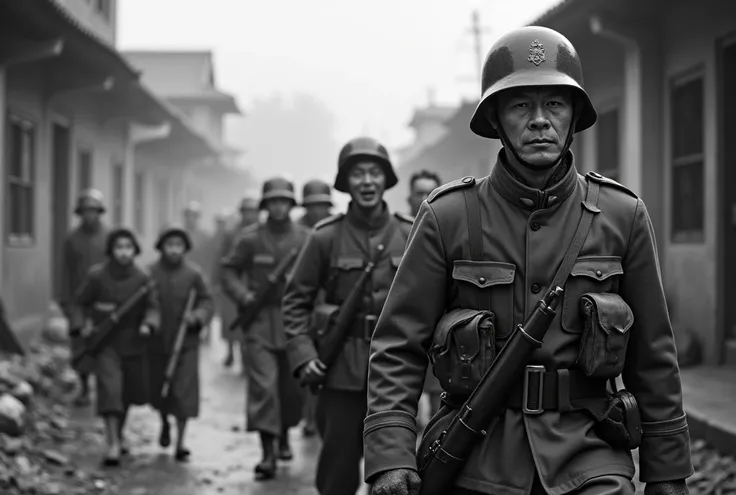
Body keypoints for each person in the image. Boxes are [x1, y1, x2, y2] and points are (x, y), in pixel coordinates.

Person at [363, 26, 693, 495]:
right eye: (521, 105)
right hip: (478, 456)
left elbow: (654, 355)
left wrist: (667, 471)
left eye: (554, 104)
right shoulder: (448, 216)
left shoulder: (623, 215)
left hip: (591, 454)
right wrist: (391, 455)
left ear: (574, 115)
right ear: (496, 118)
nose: (540, 120)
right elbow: (398, 343)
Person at [282, 137, 414, 495]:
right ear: (346, 182)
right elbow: (295, 301)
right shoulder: (325, 237)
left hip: (396, 374)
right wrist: (304, 354)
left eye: (374, 172)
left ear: (386, 179)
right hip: (340, 371)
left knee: (393, 471)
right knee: (337, 469)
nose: (367, 181)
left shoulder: (410, 233)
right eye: (358, 174)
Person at [221, 178, 309, 480]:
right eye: (273, 201)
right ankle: (268, 452)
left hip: (294, 321)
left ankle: (284, 432)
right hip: (259, 322)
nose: (279, 206)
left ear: (291, 204)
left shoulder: (305, 238)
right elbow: (228, 270)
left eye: (284, 201)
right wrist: (243, 296)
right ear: (265, 205)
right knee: (264, 387)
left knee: (292, 389)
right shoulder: (250, 239)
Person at [72, 228, 159, 466]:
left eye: (128, 247)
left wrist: (148, 324)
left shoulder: (143, 278)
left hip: (133, 344)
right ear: (110, 250)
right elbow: (80, 303)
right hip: (106, 343)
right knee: (110, 390)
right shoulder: (97, 276)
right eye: (119, 247)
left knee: (128, 393)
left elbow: (153, 307)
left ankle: (118, 435)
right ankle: (112, 444)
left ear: (135, 250)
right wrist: (83, 325)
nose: (123, 253)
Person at [148, 225, 214, 461]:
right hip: (157, 342)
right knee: (160, 389)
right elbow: (145, 301)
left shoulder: (194, 274)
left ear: (185, 248)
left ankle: (181, 441)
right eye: (169, 245)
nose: (174, 250)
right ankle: (164, 421)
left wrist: (197, 316)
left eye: (179, 246)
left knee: (183, 391)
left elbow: (207, 300)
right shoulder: (151, 272)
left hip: (186, 342)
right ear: (161, 248)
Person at [59, 189, 110, 407]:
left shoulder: (108, 237)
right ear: (80, 213)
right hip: (79, 301)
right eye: (86, 211)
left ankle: (105, 388)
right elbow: (65, 271)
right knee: (80, 345)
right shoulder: (72, 238)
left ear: (100, 212)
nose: (90, 215)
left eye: (94, 211)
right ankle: (84, 387)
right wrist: (65, 300)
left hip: (103, 300)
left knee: (104, 344)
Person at [296, 179, 335, 437]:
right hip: (307, 307)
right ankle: (307, 417)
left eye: (321, 205)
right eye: (312, 205)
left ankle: (325, 417)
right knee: (306, 363)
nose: (317, 211)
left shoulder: (337, 228)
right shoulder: (298, 232)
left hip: (333, 310)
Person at [406, 170, 444, 423]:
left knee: (439, 401)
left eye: (429, 192)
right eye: (418, 193)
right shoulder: (399, 232)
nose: (423, 198)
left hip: (440, 329)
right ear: (409, 197)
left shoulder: (448, 231)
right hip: (407, 327)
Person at [216, 195, 260, 370]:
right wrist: (218, 280)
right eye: (247, 211)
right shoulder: (231, 233)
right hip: (234, 284)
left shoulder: (260, 234)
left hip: (252, 284)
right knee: (229, 322)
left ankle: (246, 359)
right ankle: (230, 352)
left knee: (249, 324)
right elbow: (222, 259)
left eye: (253, 211)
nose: (250, 215)